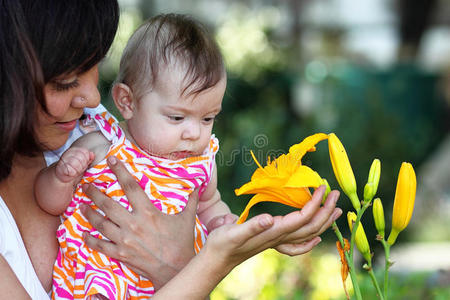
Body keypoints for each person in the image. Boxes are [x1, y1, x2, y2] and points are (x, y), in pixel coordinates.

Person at [0, 1, 342, 299]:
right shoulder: (96, 146)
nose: (92, 98)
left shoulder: (93, 123)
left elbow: (205, 221)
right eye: (65, 81)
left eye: (95, 68)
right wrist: (210, 263)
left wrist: (211, 243)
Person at [35, 14, 237, 299]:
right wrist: (60, 177)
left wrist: (221, 223)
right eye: (177, 117)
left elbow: (210, 204)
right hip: (96, 279)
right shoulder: (102, 145)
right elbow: (49, 203)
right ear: (127, 102)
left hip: (167, 287)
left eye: (207, 118)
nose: (193, 133)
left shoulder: (201, 162)